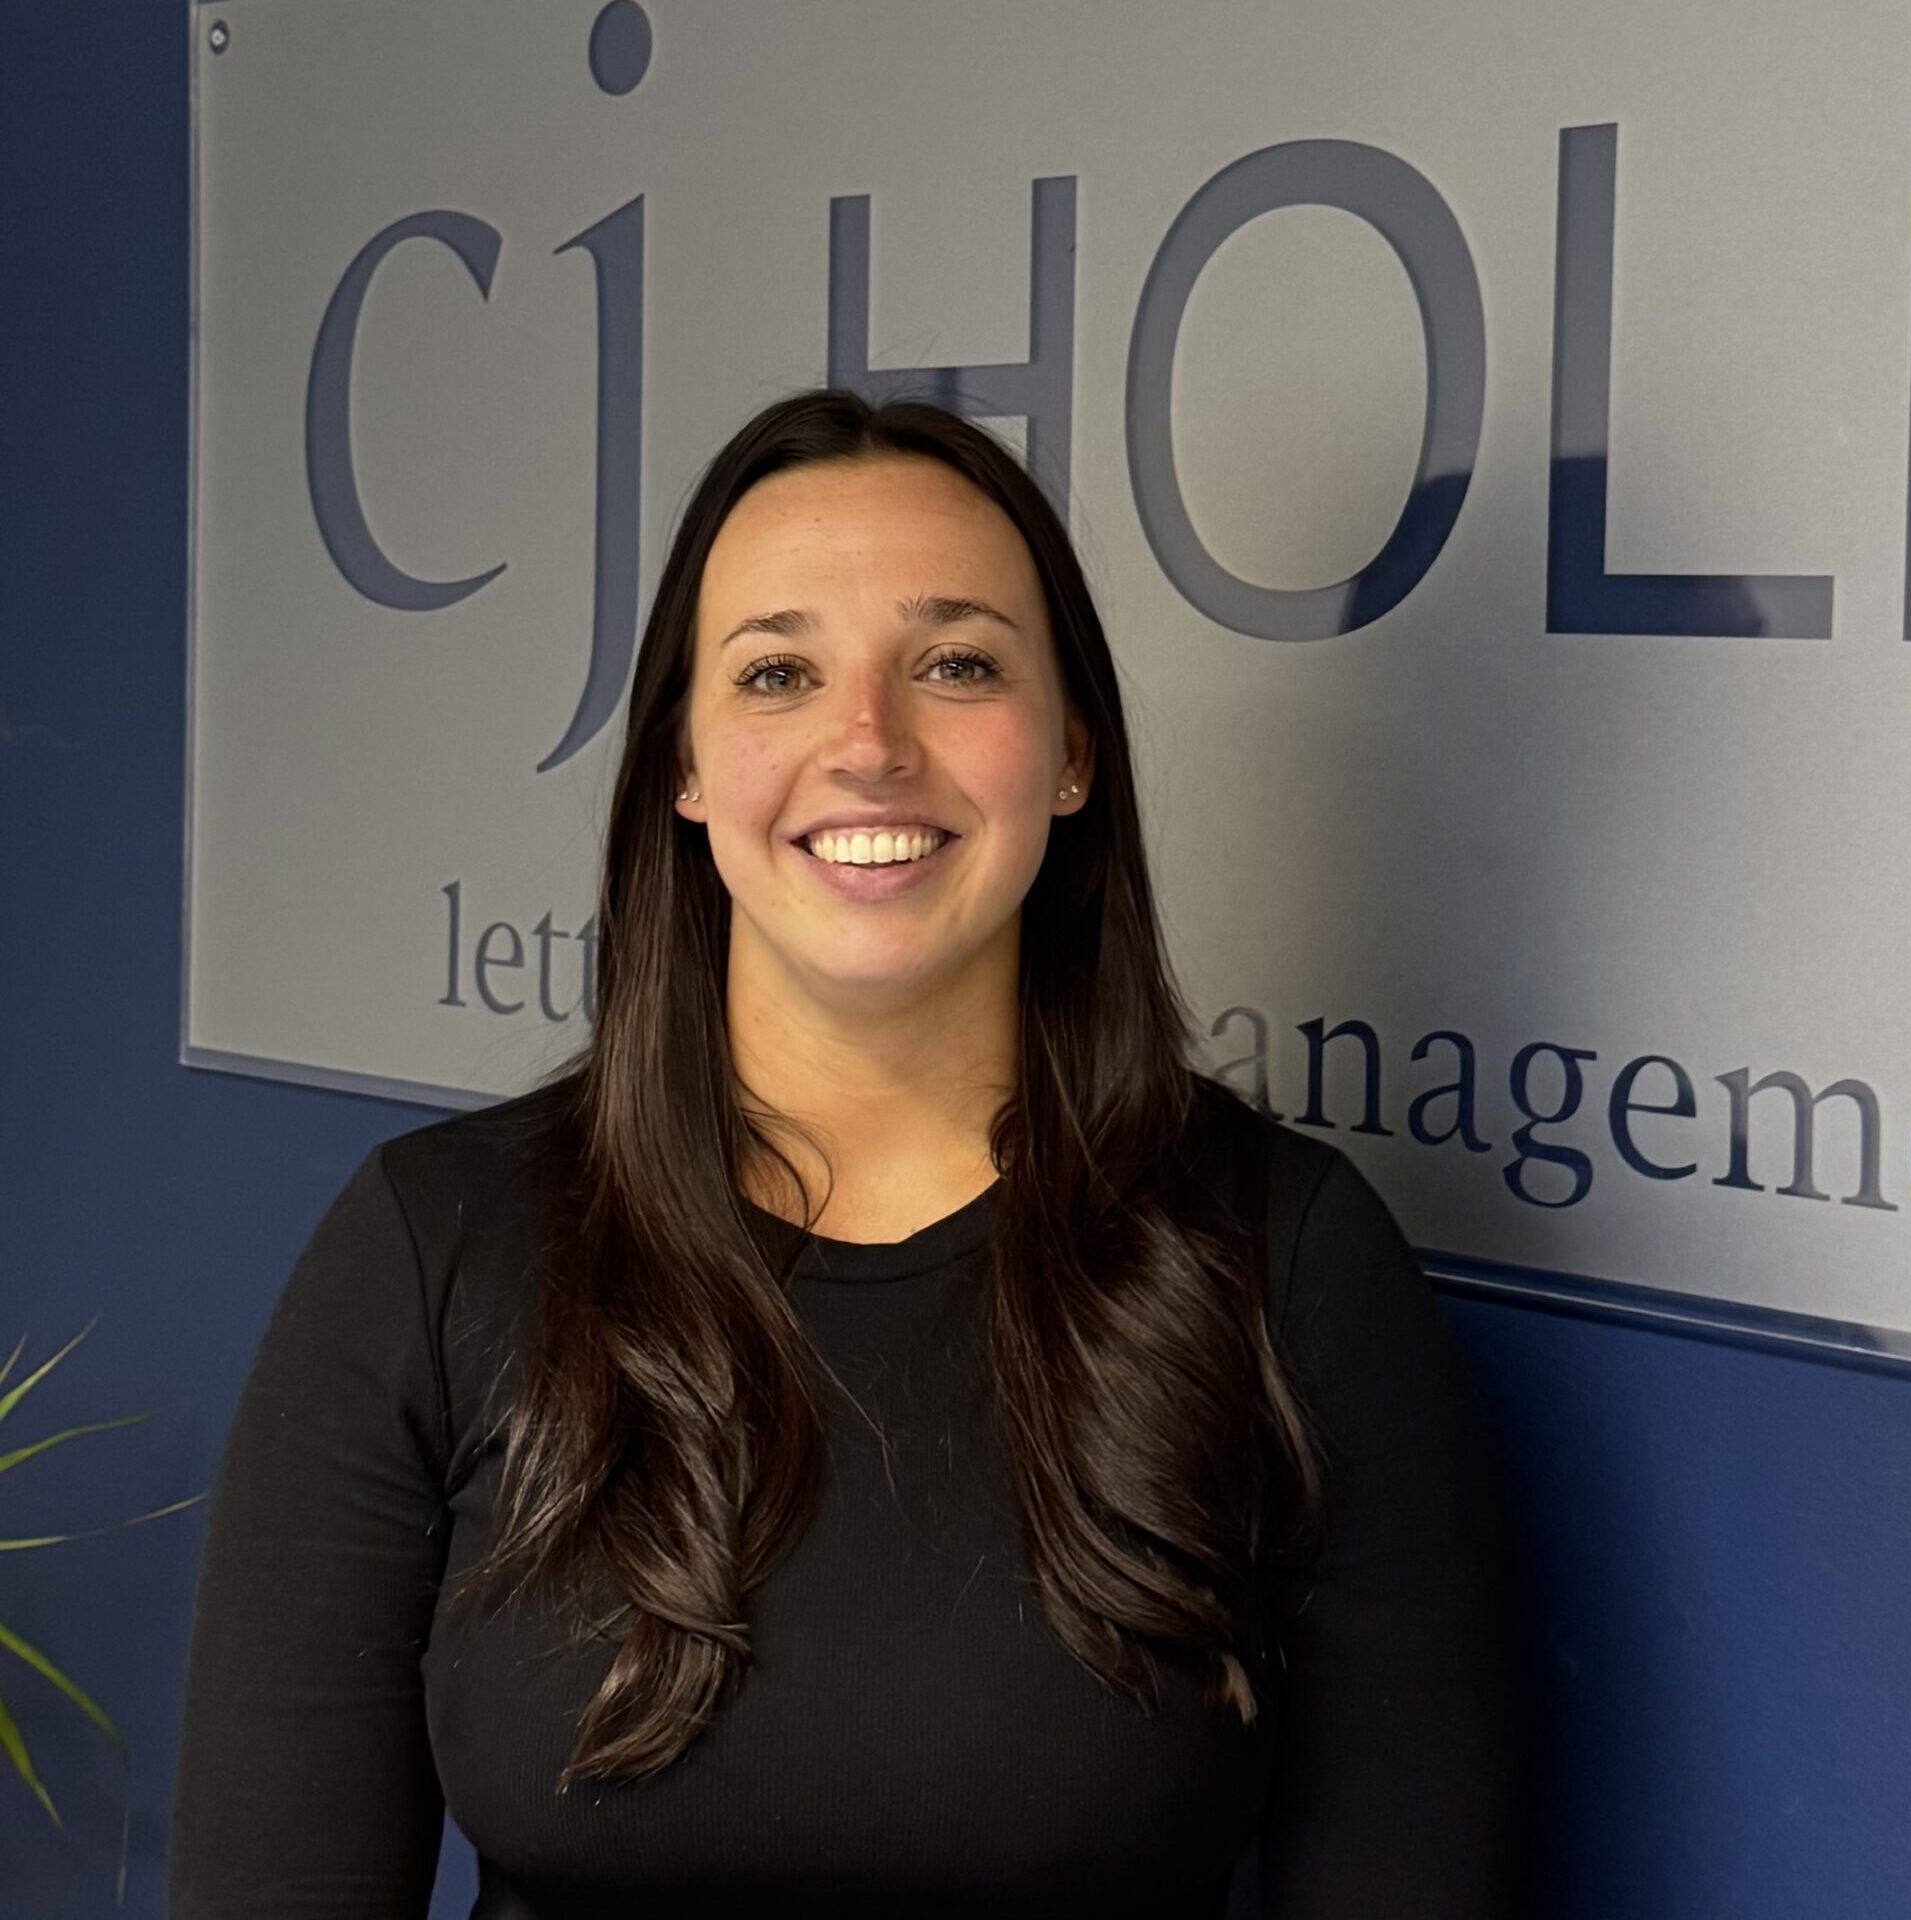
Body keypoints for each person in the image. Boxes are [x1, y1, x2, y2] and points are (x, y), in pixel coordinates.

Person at [167, 390, 1531, 1917]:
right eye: (777, 673)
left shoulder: (1290, 1261)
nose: (867, 744)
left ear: (1071, 754)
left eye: (956, 664)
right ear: (683, 765)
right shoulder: (433, 1251)